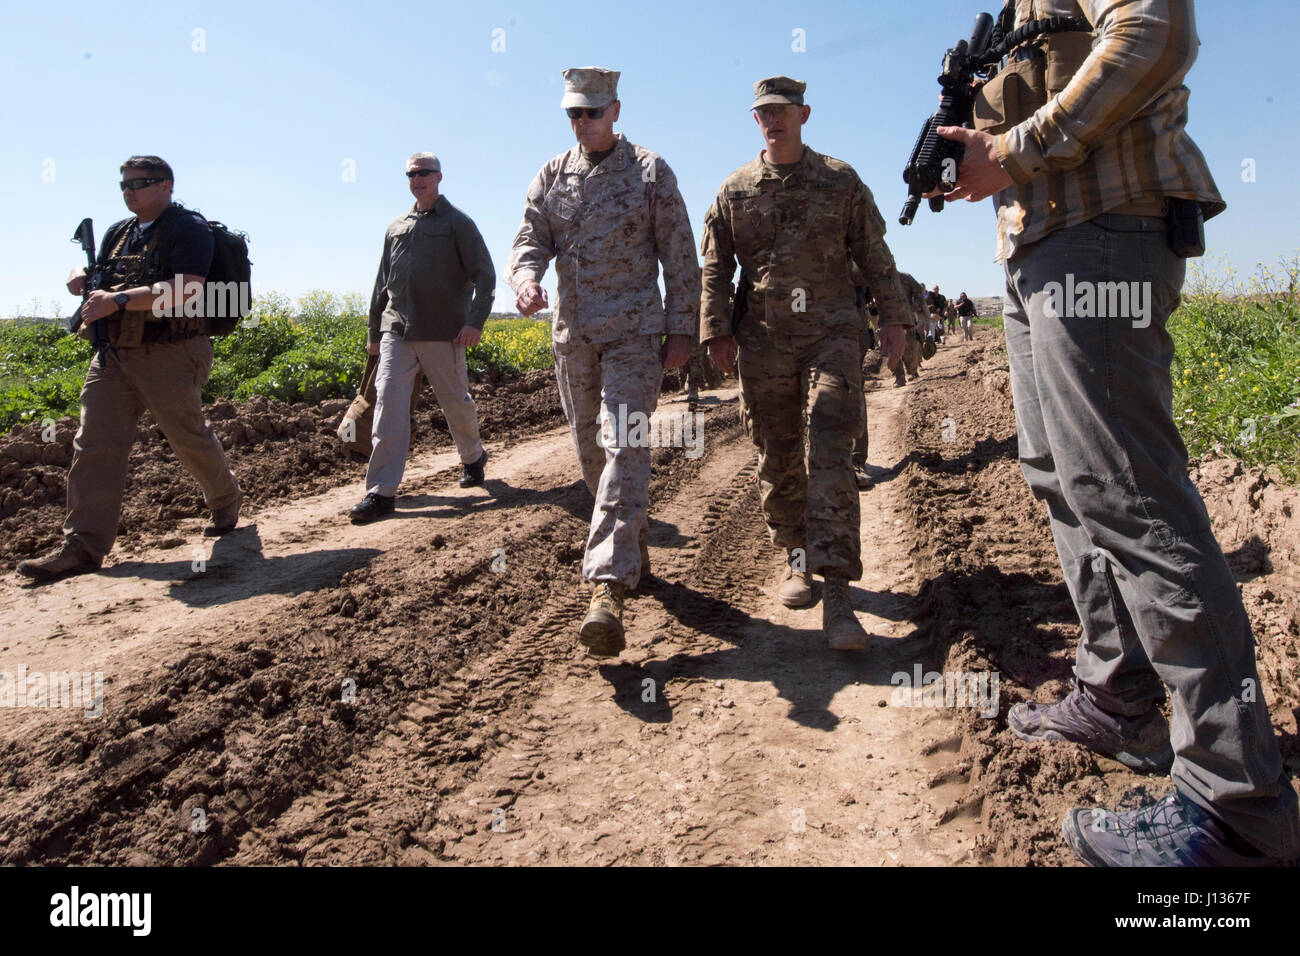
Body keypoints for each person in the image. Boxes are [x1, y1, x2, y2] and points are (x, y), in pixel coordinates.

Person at [935, 0, 1298, 865]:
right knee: (1063, 477)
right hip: (1039, 245)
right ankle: (1123, 697)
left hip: (1104, 238)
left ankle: (1235, 806)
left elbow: (1157, 34)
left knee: (1131, 496)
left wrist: (1013, 151)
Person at [700, 76, 909, 650]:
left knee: (832, 442)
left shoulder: (839, 181)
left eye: (783, 111)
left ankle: (839, 591)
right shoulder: (735, 189)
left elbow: (874, 253)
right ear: (756, 121)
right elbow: (715, 268)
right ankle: (797, 561)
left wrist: (895, 318)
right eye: (764, 112)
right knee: (777, 452)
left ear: (804, 115)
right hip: (763, 339)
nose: (774, 120)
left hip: (833, 333)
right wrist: (715, 332)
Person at [508, 67, 700, 657]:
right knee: (591, 455)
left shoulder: (649, 171)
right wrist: (524, 279)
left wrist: (682, 328)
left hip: (635, 337)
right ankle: (630, 538)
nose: (583, 123)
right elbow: (529, 239)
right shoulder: (551, 174)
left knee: (625, 445)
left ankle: (606, 589)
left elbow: (680, 254)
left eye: (592, 112)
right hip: (574, 337)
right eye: (574, 114)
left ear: (616, 110)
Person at [18, 156, 242, 583]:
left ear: (167, 186)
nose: (130, 190)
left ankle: (224, 498)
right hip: (114, 353)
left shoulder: (187, 227)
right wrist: (82, 276)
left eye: (141, 182)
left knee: (187, 436)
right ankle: (82, 546)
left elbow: (187, 288)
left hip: (171, 351)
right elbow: (102, 281)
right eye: (125, 184)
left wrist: (118, 301)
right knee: (94, 443)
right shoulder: (118, 234)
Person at [349, 153, 495, 524]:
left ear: (439, 177)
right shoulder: (397, 225)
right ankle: (381, 491)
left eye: (424, 172)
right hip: (396, 330)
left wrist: (474, 322)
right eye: (411, 173)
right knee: (388, 405)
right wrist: (373, 332)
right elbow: (381, 283)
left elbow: (486, 276)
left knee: (455, 403)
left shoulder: (458, 223)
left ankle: (473, 456)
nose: (417, 178)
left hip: (444, 332)